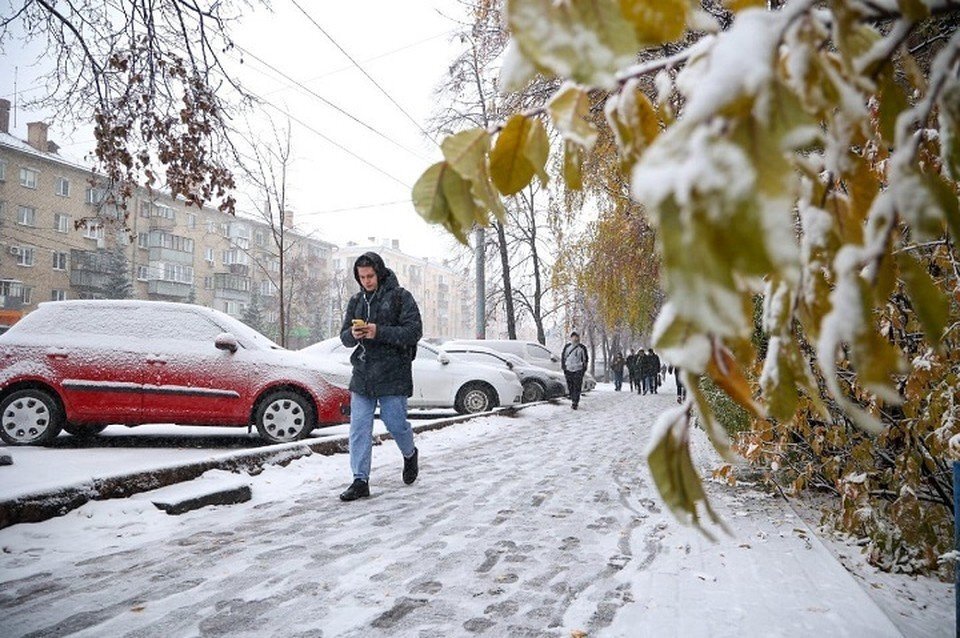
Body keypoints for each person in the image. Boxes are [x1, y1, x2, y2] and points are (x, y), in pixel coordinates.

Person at [338, 251, 423, 502]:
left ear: (380, 272)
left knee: (395, 422)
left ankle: (409, 454)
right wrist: (354, 334)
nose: (366, 281)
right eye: (362, 276)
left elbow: (413, 331)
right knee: (359, 428)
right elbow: (343, 338)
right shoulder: (356, 301)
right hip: (363, 373)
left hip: (393, 372)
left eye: (370, 275)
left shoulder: (400, 297)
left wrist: (378, 331)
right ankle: (360, 480)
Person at [561, 331, 589, 410]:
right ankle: (572, 397)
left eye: (577, 337)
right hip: (568, 369)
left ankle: (575, 402)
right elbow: (563, 357)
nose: (575, 339)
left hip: (578, 369)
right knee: (570, 385)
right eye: (574, 337)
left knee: (577, 386)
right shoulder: (567, 347)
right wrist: (564, 367)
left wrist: (583, 369)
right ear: (571, 338)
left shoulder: (582, 348)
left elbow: (585, 359)